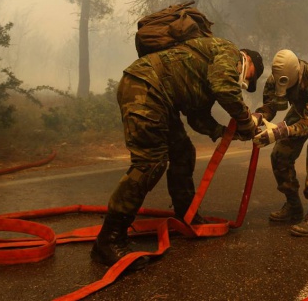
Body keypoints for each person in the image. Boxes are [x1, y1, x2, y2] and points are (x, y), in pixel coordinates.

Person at [91, 37, 264, 270]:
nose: (247, 81)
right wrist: (246, 121)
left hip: (158, 95)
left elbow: (198, 118)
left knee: (183, 151)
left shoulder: (208, 66)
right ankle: (109, 239)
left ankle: (186, 216)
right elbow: (224, 87)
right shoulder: (230, 52)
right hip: (145, 87)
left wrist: (228, 133)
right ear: (249, 62)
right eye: (251, 77)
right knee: (151, 162)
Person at [253, 49, 308, 237]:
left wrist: (281, 131)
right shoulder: (275, 79)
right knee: (280, 155)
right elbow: (270, 106)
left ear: (295, 74)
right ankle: (294, 206)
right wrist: (257, 117)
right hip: (300, 109)